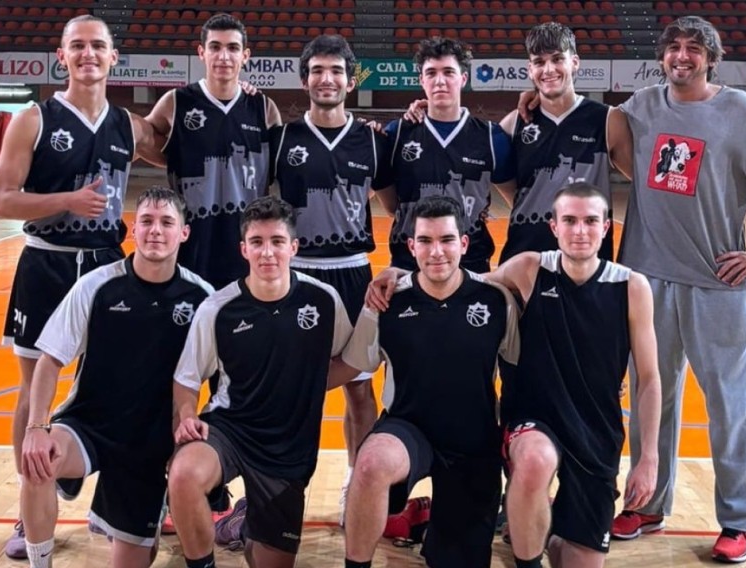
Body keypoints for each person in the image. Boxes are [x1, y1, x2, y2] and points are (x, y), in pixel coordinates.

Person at [608, 16, 746, 564]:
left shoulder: (741, 111)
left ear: (712, 58)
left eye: (693, 49)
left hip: (715, 284)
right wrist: (532, 100)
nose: (681, 56)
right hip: (646, 281)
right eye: (673, 47)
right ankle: (649, 504)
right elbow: (607, 139)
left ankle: (737, 520)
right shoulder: (643, 105)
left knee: (730, 406)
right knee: (654, 401)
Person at [0, 14, 163, 559]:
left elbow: (181, 140)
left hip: (109, 264)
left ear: (115, 58)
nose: (89, 54)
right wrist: (65, 201)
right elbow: (3, 200)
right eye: (77, 46)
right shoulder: (33, 120)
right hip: (48, 263)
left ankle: (112, 498)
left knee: (117, 385)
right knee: (31, 390)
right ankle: (30, 507)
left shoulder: (130, 127)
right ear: (61, 57)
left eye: (99, 46)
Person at [18, 187, 214, 568]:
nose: (155, 230)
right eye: (146, 221)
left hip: (149, 445)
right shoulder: (97, 286)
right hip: (88, 426)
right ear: (132, 229)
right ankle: (38, 563)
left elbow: (226, 378)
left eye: (167, 222)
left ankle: (149, 514)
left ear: (183, 233)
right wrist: (36, 427)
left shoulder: (202, 298)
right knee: (39, 461)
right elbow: (49, 360)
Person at [334, 195, 520, 568]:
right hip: (408, 428)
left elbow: (523, 373)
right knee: (370, 463)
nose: (437, 252)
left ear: (464, 244)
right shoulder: (386, 302)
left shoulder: (497, 301)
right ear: (411, 246)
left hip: (472, 443)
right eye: (426, 241)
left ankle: (434, 532)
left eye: (447, 240)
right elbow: (352, 365)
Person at [481, 183, 661, 568]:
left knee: (578, 561)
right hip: (535, 418)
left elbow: (648, 379)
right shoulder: (530, 268)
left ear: (606, 227)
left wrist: (649, 458)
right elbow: (463, 287)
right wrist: (401, 277)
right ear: (554, 226)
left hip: (596, 431)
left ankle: (547, 530)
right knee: (533, 462)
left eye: (590, 221)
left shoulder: (631, 287)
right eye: (570, 221)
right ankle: (527, 549)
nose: (580, 231)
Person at [167, 196, 352, 568]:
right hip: (232, 430)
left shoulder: (324, 300)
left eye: (277, 242)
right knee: (184, 474)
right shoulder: (219, 307)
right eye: (257, 242)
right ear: (243, 248)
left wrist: (308, 381)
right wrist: (187, 414)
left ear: (294, 247)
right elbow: (186, 379)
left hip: (288, 450)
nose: (267, 253)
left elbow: (352, 365)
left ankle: (243, 520)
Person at [268, 34, 394, 524]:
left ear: (350, 79)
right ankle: (278, 484)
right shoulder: (281, 140)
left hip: (353, 274)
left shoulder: (373, 140)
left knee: (359, 388)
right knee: (290, 388)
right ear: (305, 80)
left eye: (337, 71)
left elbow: (393, 208)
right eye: (318, 71)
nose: (327, 79)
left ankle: (354, 485)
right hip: (297, 276)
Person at [146, 12, 282, 288]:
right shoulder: (176, 101)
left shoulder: (263, 108)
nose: (223, 56)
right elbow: (143, 140)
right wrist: (173, 159)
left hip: (247, 245)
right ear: (201, 53)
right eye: (215, 47)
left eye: (232, 48)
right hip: (191, 243)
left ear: (245, 55)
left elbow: (285, 168)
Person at [497, 22, 630, 263]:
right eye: (539, 62)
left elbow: (646, 185)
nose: (548, 69)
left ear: (575, 62)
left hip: (588, 264)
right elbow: (511, 189)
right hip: (524, 261)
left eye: (557, 59)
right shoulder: (513, 124)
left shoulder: (608, 120)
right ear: (530, 69)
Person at [382, 37, 516, 273]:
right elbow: (393, 205)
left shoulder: (490, 137)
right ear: (421, 80)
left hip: (471, 266)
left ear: (463, 79)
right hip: (409, 267)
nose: (440, 81)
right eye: (431, 73)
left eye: (449, 72)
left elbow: (517, 201)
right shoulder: (397, 133)